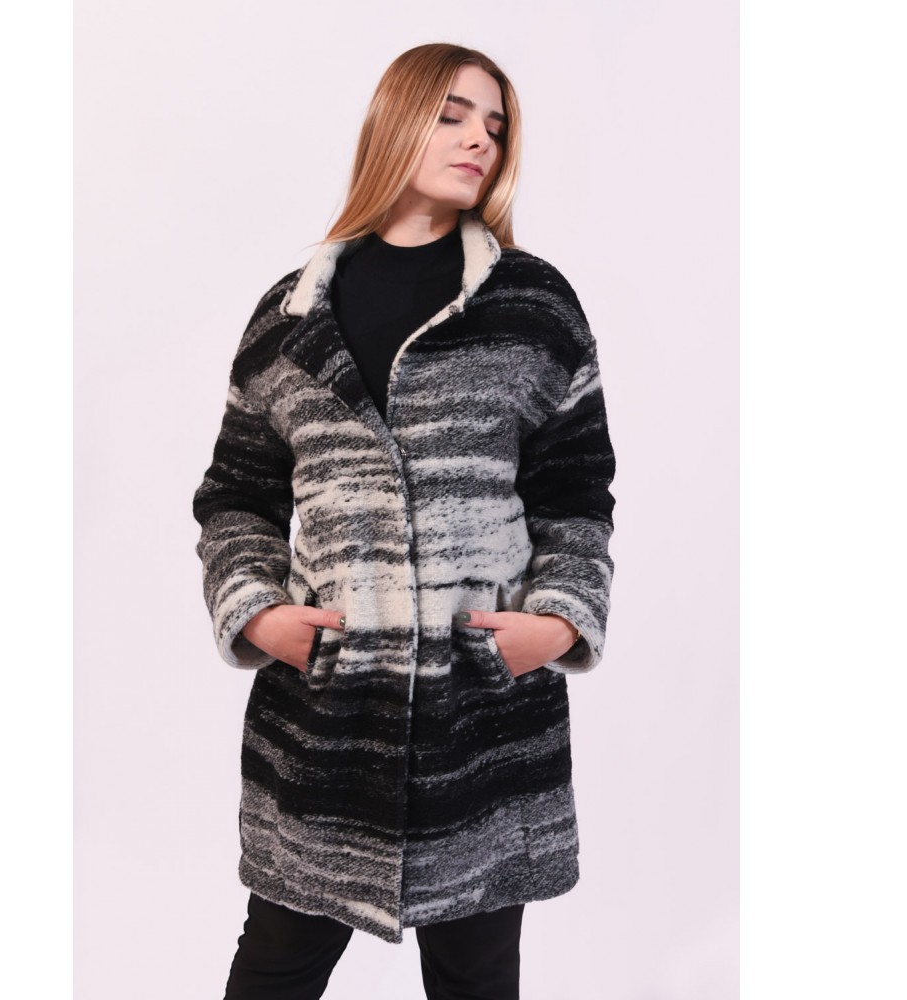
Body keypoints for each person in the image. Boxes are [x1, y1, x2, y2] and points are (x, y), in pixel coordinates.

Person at [192, 42, 617, 1000]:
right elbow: (235, 496)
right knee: (275, 967)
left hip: (484, 718)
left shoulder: (532, 307)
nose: (480, 140)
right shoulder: (288, 318)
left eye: (495, 125)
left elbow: (577, 492)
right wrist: (259, 613)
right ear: (395, 120)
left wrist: (558, 621)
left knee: (476, 977)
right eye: (453, 115)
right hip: (327, 721)